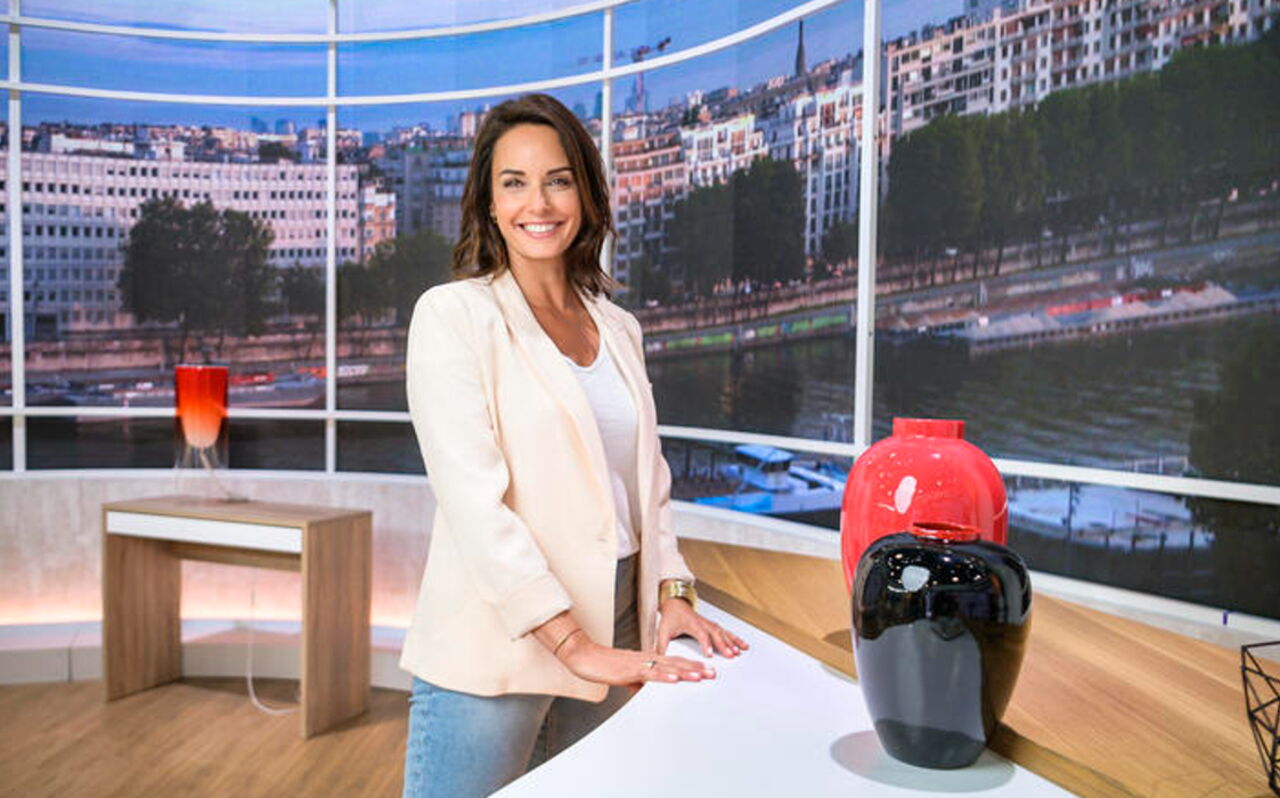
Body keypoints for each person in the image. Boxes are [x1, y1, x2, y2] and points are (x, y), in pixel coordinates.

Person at [400, 93, 749, 798]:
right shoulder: (452, 315)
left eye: (558, 180)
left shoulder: (618, 328)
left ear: (586, 195)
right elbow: (475, 507)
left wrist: (673, 592)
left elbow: (647, 485)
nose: (539, 203)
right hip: (500, 635)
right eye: (515, 182)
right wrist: (572, 644)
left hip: (617, 619)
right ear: (489, 203)